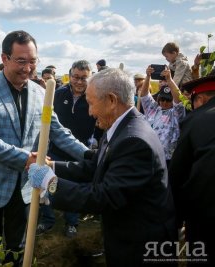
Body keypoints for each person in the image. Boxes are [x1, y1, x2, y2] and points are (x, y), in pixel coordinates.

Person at [0, 30, 88, 266]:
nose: (28, 68)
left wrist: (89, 155)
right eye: (21, 61)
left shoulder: (41, 93)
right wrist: (26, 158)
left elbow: (57, 131)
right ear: (5, 57)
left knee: (19, 246)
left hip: (25, 186)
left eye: (32, 61)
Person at [28, 68, 177, 267]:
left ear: (112, 100)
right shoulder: (120, 127)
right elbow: (94, 166)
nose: (89, 111)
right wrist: (51, 166)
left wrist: (49, 182)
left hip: (140, 246)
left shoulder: (134, 141)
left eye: (91, 103)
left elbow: (103, 198)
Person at [37, 60, 102, 238]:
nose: (79, 82)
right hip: (56, 149)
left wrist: (96, 140)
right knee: (50, 183)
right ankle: (47, 220)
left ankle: (71, 223)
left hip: (81, 150)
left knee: (75, 187)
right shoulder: (57, 94)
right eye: (76, 77)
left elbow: (100, 123)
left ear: (90, 78)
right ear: (70, 75)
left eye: (84, 78)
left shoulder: (94, 97)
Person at [169, 75, 215, 266]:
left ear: (200, 99)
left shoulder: (195, 120)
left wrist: (176, 218)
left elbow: (178, 172)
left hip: (206, 216)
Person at [140, 65, 185, 165]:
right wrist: (147, 77)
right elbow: (144, 95)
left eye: (168, 100)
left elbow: (178, 100)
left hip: (168, 160)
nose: (164, 102)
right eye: (162, 99)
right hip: (148, 157)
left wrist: (169, 80)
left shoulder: (176, 113)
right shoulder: (153, 109)